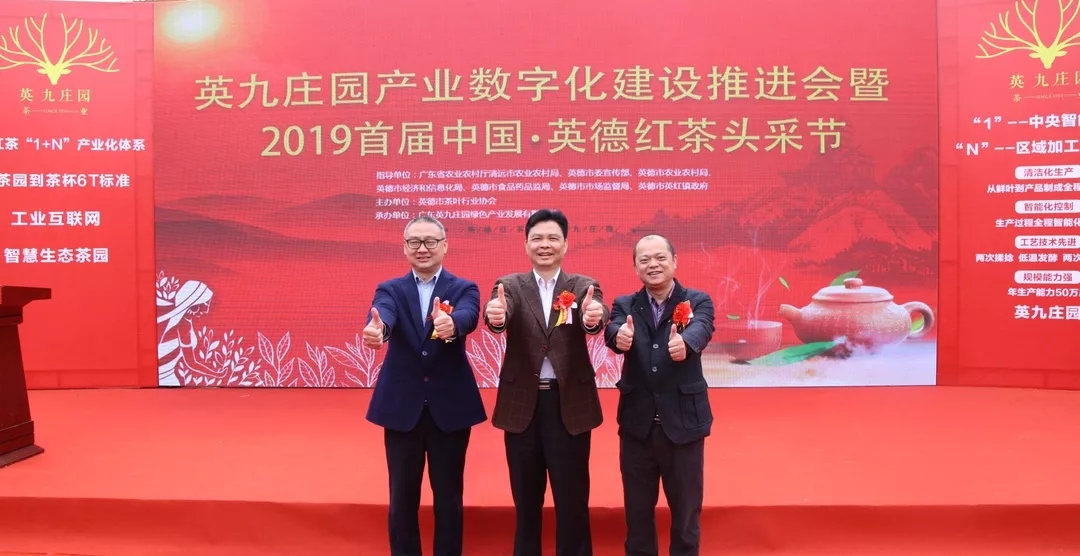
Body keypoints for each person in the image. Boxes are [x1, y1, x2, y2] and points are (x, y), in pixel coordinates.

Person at [483, 208, 608, 556]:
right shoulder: (509, 285)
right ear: (526, 244)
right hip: (522, 406)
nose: (545, 244)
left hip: (569, 405)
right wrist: (496, 318)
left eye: (553, 238)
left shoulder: (583, 286)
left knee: (573, 501)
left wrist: (593, 318)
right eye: (537, 238)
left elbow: (595, 315)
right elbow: (499, 314)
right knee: (526, 502)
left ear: (565, 245)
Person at [363, 215, 487, 556]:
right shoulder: (390, 289)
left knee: (449, 498)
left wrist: (452, 324)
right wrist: (378, 330)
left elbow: (469, 315)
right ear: (404, 248)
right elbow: (383, 313)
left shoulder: (464, 288)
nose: (423, 248)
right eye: (415, 242)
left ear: (444, 246)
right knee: (402, 498)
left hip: (450, 407)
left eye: (430, 241)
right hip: (402, 407)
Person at [604, 235, 716, 556]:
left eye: (660, 258)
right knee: (637, 515)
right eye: (644, 260)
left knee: (685, 514)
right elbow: (614, 328)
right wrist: (618, 336)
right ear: (636, 267)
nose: (652, 265)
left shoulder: (697, 301)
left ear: (674, 261)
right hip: (637, 427)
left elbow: (702, 327)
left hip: (683, 424)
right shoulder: (625, 304)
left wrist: (687, 342)